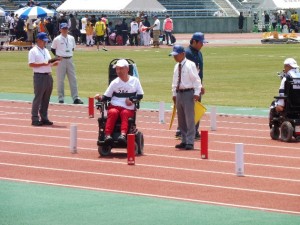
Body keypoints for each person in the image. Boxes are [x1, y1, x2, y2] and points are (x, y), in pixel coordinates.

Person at [94, 59, 144, 144]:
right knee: (112, 112)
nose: (118, 71)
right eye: (117, 69)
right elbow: (106, 96)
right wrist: (99, 98)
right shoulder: (114, 82)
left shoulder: (135, 81)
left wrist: (132, 99)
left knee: (125, 113)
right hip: (115, 105)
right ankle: (108, 135)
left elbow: (140, 95)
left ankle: (123, 134)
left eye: (121, 69)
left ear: (127, 69)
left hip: (128, 107)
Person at [170, 45, 201, 150]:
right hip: (179, 93)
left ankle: (190, 141)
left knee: (189, 118)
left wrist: (197, 92)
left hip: (188, 93)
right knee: (181, 119)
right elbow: (174, 81)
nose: (174, 57)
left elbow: (196, 80)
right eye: (173, 55)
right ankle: (183, 140)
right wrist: (174, 94)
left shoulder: (190, 65)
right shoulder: (176, 66)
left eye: (176, 55)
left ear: (183, 54)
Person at [28, 32, 60, 126]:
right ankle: (34, 118)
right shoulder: (33, 51)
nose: (45, 43)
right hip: (39, 76)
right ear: (38, 40)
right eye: (43, 41)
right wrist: (43, 64)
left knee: (46, 98)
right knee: (38, 98)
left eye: (45, 41)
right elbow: (31, 64)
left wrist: (54, 63)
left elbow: (48, 63)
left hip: (48, 75)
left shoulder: (46, 50)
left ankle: (44, 117)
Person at [51, 23, 83, 104]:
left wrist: (68, 54)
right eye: (63, 28)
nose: (65, 30)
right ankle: (61, 98)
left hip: (70, 59)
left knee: (73, 79)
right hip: (61, 60)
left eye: (66, 28)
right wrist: (57, 56)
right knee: (60, 80)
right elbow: (53, 49)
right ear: (60, 29)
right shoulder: (57, 39)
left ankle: (75, 98)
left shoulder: (71, 38)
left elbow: (72, 48)